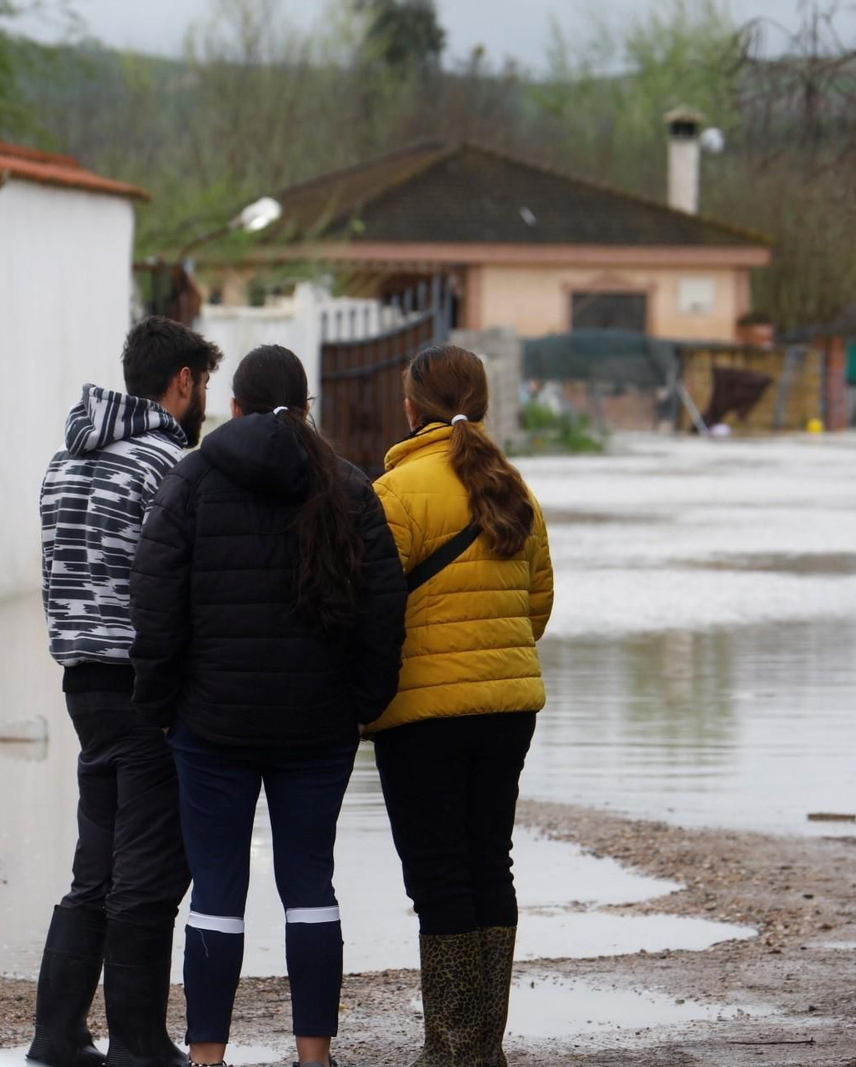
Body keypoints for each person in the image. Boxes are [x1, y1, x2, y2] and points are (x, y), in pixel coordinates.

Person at [130, 345, 407, 1067]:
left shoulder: (190, 480)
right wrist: (363, 704)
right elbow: (384, 610)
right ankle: (314, 1055)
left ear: (234, 407)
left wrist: (161, 706)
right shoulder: (349, 487)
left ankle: (207, 1057)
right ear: (308, 406)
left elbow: (154, 603)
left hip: (211, 723)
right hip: (318, 727)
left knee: (216, 890)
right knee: (310, 883)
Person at [31, 317, 220, 1067]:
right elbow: (175, 586)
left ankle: (58, 1033)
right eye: (202, 384)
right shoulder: (167, 467)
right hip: (144, 683)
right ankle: (138, 1041)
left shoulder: (65, 460)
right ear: (183, 381)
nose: (202, 398)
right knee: (149, 868)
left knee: (98, 861)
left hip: (83, 679)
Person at [367, 344, 554, 1067]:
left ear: (410, 407)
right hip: (509, 708)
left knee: (439, 875)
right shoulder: (515, 489)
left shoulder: (397, 493)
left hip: (423, 714)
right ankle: (484, 1045)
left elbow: (374, 612)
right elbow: (536, 604)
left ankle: (449, 1047)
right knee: (488, 865)